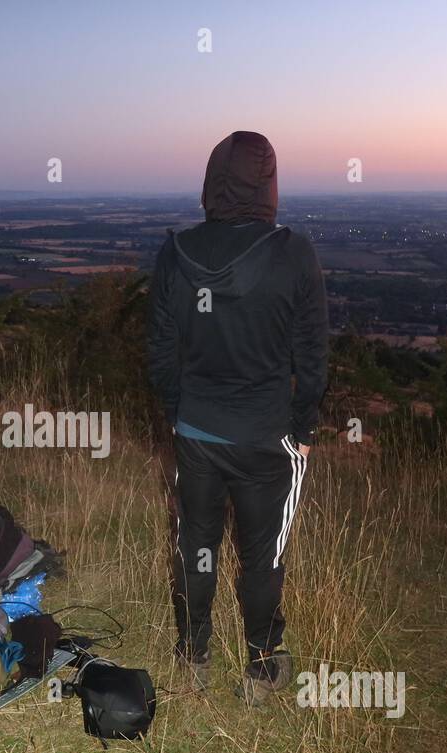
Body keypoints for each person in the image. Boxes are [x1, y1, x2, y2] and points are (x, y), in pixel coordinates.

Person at [147, 130, 328, 705]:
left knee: (196, 543)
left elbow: (160, 351)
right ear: (269, 183)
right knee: (262, 554)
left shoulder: (176, 252)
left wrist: (180, 415)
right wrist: (303, 430)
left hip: (197, 433)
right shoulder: (293, 252)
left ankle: (194, 656)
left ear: (211, 181)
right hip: (267, 439)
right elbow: (313, 359)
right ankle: (260, 668)